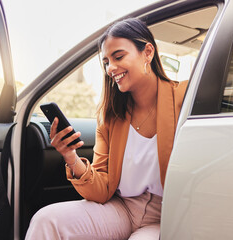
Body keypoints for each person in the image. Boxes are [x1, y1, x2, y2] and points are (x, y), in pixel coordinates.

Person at [25, 18, 187, 240]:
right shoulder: (110, 117)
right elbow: (101, 189)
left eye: (118, 57)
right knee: (46, 220)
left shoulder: (185, 98)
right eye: (106, 62)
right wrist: (71, 158)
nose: (111, 68)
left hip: (167, 214)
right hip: (122, 209)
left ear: (148, 52)